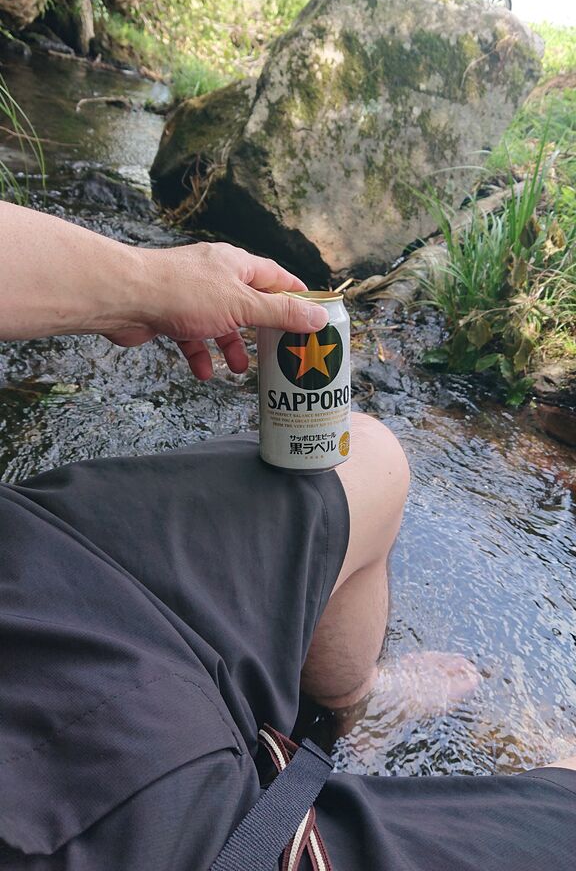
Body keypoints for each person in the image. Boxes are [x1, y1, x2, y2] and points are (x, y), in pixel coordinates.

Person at [0, 199, 574, 871]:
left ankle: (355, 703)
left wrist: (144, 284)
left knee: (373, 458)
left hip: (28, 567)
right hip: (90, 808)